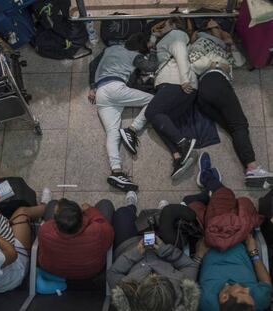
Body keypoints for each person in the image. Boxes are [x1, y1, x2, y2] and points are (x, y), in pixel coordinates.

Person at [189, 19, 273, 188]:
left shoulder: (221, 47)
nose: (222, 29)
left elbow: (240, 62)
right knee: (240, 124)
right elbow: (194, 64)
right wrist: (219, 64)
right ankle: (252, 168)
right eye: (218, 27)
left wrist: (230, 44)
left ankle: (251, 171)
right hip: (214, 81)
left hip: (206, 94)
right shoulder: (202, 41)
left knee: (235, 129)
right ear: (211, 29)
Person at [183, 152, 272, 310]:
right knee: (232, 207)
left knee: (224, 201)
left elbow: (187, 287)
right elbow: (266, 285)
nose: (248, 289)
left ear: (224, 297)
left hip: (210, 240)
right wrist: (253, 252)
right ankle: (210, 188)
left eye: (242, 291)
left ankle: (210, 184)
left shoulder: (205, 303)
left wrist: (198, 256)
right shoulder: (254, 303)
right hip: (239, 239)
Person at [107, 191, 202, 311]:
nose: (154, 274)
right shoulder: (184, 293)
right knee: (168, 215)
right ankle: (160, 213)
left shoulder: (126, 294)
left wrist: (136, 253)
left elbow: (113, 273)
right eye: (160, 277)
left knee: (122, 213)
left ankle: (132, 207)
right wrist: (165, 250)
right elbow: (190, 265)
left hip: (129, 246)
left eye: (151, 278)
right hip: (164, 246)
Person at [88, 33, 157, 191]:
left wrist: (92, 86)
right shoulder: (135, 56)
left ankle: (116, 171)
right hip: (116, 88)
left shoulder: (111, 48)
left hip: (101, 93)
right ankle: (133, 129)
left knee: (112, 133)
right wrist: (153, 51)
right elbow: (152, 67)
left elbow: (92, 65)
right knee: (153, 100)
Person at [144, 17, 198, 180]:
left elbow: (180, 54)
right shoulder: (168, 37)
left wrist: (184, 80)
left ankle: (184, 143)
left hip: (177, 82)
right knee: (160, 123)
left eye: (165, 23)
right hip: (175, 84)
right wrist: (154, 36)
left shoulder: (175, 34)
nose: (163, 26)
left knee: (151, 112)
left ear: (174, 24)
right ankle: (178, 157)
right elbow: (155, 52)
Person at [185, 152, 263, 252]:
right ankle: (211, 188)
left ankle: (207, 178)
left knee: (224, 194)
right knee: (190, 202)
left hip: (217, 230)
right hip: (221, 237)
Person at [38, 193, 114, 280]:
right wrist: (90, 210)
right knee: (105, 204)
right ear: (82, 217)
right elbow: (110, 235)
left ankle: (46, 203)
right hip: (91, 272)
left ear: (55, 220)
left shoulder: (45, 230)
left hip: (55, 271)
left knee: (52, 204)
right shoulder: (97, 231)